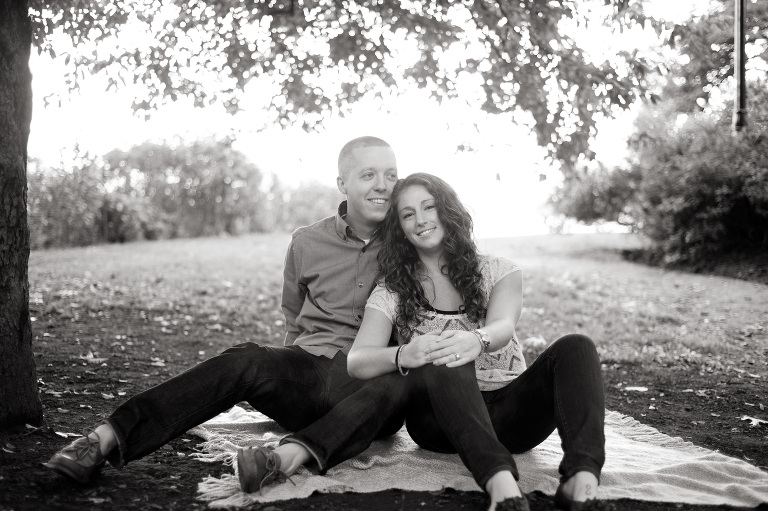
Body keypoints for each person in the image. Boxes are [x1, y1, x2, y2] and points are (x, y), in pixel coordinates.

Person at [44, 136, 409, 493]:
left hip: (370, 389)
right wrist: (286, 373)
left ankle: (281, 460)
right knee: (247, 357)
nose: (383, 185)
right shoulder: (307, 242)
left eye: (391, 175)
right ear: (343, 183)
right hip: (310, 369)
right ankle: (104, 438)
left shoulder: (409, 244)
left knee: (398, 380)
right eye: (369, 175)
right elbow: (293, 314)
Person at [347, 173, 615, 511]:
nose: (421, 219)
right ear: (400, 228)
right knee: (445, 353)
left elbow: (503, 324)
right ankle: (503, 490)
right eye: (408, 214)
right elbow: (357, 360)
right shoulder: (392, 289)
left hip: (512, 416)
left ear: (448, 211)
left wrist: (477, 339)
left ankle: (581, 485)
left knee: (577, 345)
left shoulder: (499, 270)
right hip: (439, 423)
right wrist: (405, 354)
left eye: (429, 207)